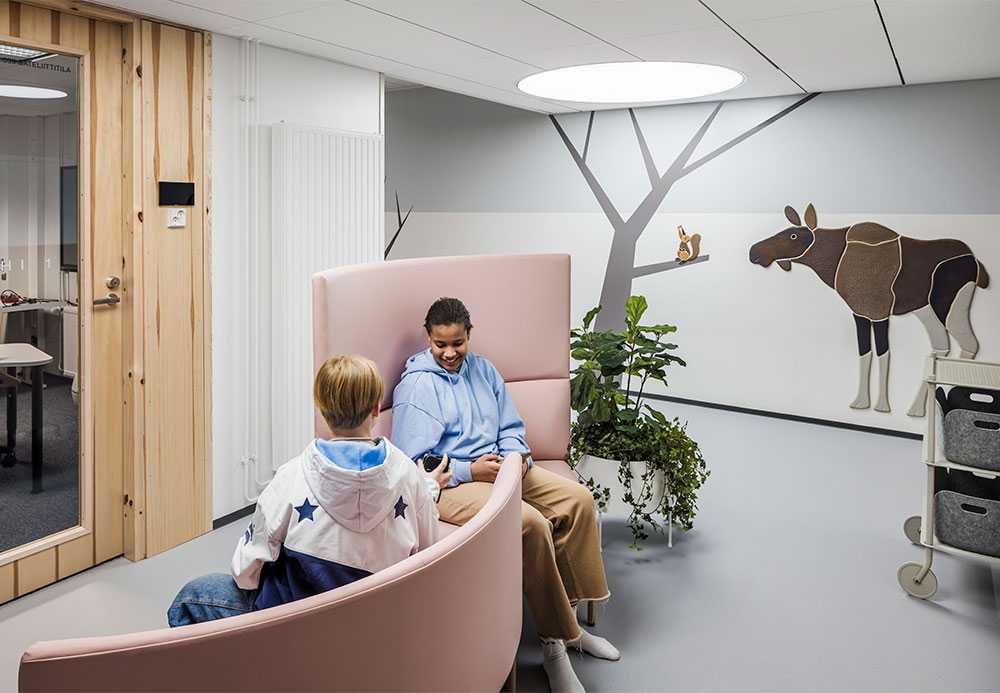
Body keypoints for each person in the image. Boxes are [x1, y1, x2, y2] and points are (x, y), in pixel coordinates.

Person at [392, 297, 619, 693]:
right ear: (428, 337)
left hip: (504, 469)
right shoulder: (416, 385)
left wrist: (518, 457)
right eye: (440, 344)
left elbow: (511, 426)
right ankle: (554, 647)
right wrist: (469, 470)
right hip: (451, 484)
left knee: (578, 501)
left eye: (458, 343)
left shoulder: (485, 370)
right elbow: (415, 464)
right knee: (530, 525)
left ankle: (572, 628)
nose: (449, 353)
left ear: (469, 336)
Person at [167, 355, 451, 627]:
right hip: (377, 624)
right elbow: (428, 553)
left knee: (189, 598)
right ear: (376, 409)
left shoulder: (291, 476)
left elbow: (244, 572)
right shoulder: (409, 476)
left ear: (321, 409)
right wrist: (429, 486)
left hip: (296, 626)